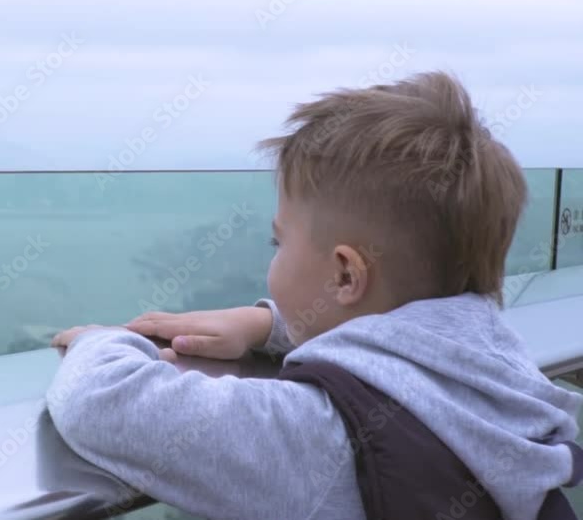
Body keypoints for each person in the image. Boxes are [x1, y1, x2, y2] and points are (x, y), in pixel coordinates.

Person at [47, 71, 583, 520]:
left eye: (277, 243)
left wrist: (102, 341)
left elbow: (104, 405)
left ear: (346, 276)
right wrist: (269, 325)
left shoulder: (323, 435)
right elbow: (413, 346)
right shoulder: (497, 367)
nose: (273, 258)